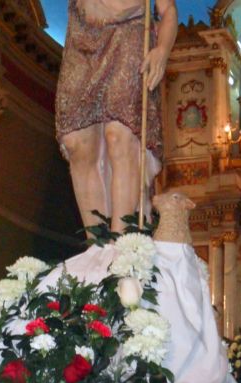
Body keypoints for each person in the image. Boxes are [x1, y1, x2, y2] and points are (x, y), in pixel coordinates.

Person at [55, 0, 178, 232]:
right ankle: (97, 242)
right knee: (77, 142)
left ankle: (121, 239)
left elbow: (168, 9)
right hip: (82, 34)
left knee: (120, 134)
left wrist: (162, 49)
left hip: (131, 30)